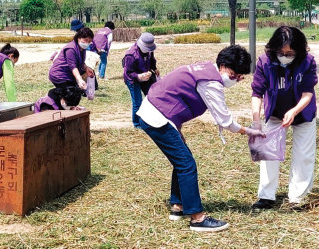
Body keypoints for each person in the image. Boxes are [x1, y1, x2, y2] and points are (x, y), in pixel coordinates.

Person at [136, 45, 263, 232]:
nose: (235, 79)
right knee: (186, 164)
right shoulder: (210, 81)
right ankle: (197, 218)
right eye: (234, 74)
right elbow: (225, 120)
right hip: (156, 116)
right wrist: (249, 131)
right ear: (222, 66)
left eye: (240, 77)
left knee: (182, 159)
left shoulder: (204, 69)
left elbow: (174, 94)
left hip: (157, 112)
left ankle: (177, 206)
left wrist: (177, 130)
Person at [250, 26, 317, 210]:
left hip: (303, 113)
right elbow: (257, 93)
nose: (285, 56)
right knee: (268, 153)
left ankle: (297, 196)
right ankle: (266, 195)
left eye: (290, 53)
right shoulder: (264, 61)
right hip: (275, 113)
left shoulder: (308, 62)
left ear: (299, 51)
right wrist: (256, 120)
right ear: (273, 49)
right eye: (281, 52)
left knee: (303, 154)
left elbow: (307, 93)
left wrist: (294, 111)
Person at [123, 32, 159, 128]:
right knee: (137, 101)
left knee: (152, 97)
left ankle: (150, 119)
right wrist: (138, 76)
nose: (148, 51)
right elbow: (128, 72)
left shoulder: (150, 50)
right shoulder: (131, 54)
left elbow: (151, 60)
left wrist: (154, 68)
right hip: (132, 79)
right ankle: (137, 123)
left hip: (146, 76)